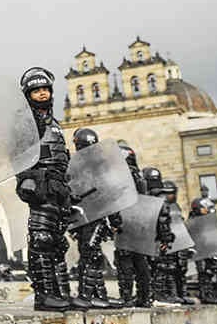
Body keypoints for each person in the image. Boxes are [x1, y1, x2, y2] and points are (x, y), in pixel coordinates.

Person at [16, 67, 84, 311]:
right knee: (41, 239)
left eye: (45, 89)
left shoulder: (54, 123)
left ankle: (60, 293)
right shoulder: (25, 121)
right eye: (37, 91)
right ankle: (43, 295)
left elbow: (62, 156)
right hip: (40, 183)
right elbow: (19, 153)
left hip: (59, 186)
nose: (42, 93)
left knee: (57, 242)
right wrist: (26, 179)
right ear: (28, 95)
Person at [67, 128, 125, 309]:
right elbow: (110, 194)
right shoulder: (98, 166)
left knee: (90, 254)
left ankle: (94, 295)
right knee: (91, 255)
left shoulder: (75, 166)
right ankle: (91, 296)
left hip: (88, 217)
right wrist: (115, 220)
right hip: (90, 216)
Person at [114, 143, 153, 307]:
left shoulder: (124, 175)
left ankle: (127, 297)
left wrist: (115, 220)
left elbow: (118, 198)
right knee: (140, 261)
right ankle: (145, 297)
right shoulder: (139, 175)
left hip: (127, 221)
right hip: (140, 222)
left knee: (125, 261)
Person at [143, 168, 179, 306]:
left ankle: (153, 294)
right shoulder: (160, 197)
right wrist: (166, 238)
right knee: (159, 268)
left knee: (153, 268)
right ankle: (157, 294)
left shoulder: (144, 196)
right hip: (156, 239)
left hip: (147, 238)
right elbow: (163, 221)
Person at [189, 197, 217, 304]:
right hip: (201, 251)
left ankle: (213, 293)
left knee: (212, 271)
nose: (208, 210)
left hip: (210, 250)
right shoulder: (194, 221)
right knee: (204, 272)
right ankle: (205, 294)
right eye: (205, 208)